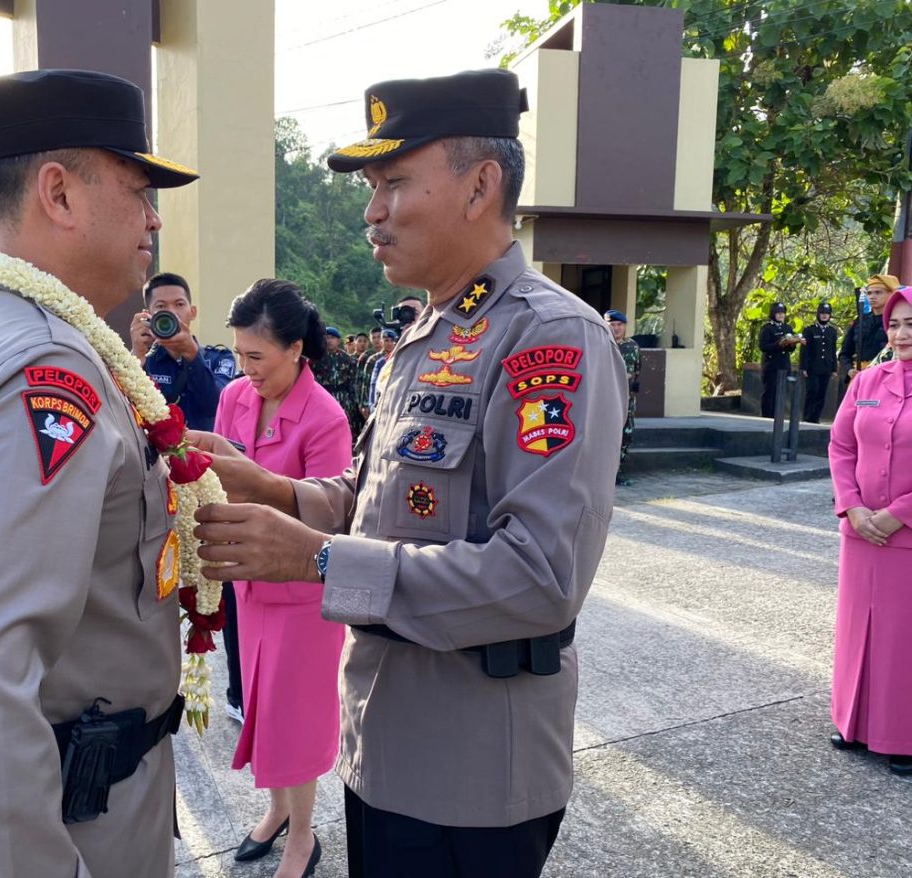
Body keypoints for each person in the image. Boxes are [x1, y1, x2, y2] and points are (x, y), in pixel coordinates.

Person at [191, 68, 626, 878]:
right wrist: (273, 490)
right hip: (382, 742)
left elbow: (541, 576)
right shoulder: (426, 336)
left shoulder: (549, 341)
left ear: (480, 186)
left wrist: (316, 560)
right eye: (371, 188)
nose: (371, 212)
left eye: (393, 183)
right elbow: (375, 498)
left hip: (472, 768)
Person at [0, 69, 199, 877]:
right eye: (139, 189)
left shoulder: (13, 328)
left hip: (85, 804)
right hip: (68, 832)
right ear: (59, 194)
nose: (154, 218)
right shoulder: (43, 366)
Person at [215, 279, 353, 878]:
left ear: (297, 348)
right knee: (261, 708)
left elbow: (328, 515)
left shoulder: (324, 419)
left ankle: (303, 836)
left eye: (258, 357)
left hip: (301, 595)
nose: (246, 371)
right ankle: (274, 812)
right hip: (248, 586)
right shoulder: (234, 399)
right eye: (239, 355)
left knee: (296, 719)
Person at [827, 284, 912, 776]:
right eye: (894, 324)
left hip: (906, 534)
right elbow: (841, 447)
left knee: (903, 637)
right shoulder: (868, 383)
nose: (901, 334)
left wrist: (898, 512)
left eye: (911, 325)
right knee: (858, 630)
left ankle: (901, 734)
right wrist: (852, 507)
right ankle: (854, 723)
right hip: (861, 534)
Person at [131, 271, 235, 431]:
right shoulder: (145, 360)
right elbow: (127, 408)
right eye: (161, 306)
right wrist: (137, 355)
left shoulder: (218, 358)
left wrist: (192, 354)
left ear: (192, 312)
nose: (172, 312)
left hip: (204, 453)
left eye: (179, 304)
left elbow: (215, 406)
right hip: (156, 454)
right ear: (148, 315)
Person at [839, 274, 900, 379]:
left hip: (886, 377)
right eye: (869, 293)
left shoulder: (897, 322)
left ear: (891, 294)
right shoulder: (860, 321)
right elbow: (844, 353)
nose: (872, 296)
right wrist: (849, 369)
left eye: (878, 292)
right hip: (858, 377)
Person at [605, 309, 640, 485]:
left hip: (627, 402)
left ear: (625, 326)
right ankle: (602, 474)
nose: (616, 328)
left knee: (626, 436)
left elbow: (638, 371)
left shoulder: (632, 346)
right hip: (605, 402)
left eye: (620, 325)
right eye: (612, 324)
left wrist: (634, 387)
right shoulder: (601, 344)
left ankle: (617, 473)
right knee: (603, 436)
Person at [312, 326, 364, 436]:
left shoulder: (348, 359)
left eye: (332, 338)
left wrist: (354, 402)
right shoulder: (316, 359)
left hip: (344, 399)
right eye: (326, 338)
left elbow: (353, 382)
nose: (329, 340)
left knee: (346, 428)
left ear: (338, 340)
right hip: (323, 397)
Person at [758, 302, 803, 419]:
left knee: (782, 393)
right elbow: (763, 346)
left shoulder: (787, 328)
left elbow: (791, 349)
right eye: (778, 313)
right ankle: (767, 417)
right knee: (769, 392)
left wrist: (793, 343)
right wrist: (778, 344)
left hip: (784, 365)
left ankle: (778, 417)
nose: (781, 315)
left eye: (782, 313)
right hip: (771, 365)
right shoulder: (767, 328)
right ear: (773, 314)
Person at [800, 301, 839, 423]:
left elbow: (833, 351)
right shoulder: (810, 330)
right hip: (812, 367)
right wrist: (803, 367)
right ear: (818, 314)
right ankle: (807, 417)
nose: (824, 316)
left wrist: (834, 368)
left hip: (826, 367)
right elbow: (804, 351)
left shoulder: (832, 331)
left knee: (822, 394)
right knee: (813, 391)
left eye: (827, 314)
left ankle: (815, 418)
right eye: (822, 313)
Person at [366, 328, 398, 409]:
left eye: (392, 341)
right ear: (381, 342)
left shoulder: (400, 359)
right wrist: (371, 405)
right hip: (381, 399)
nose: (390, 343)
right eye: (386, 340)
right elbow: (372, 384)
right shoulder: (377, 361)